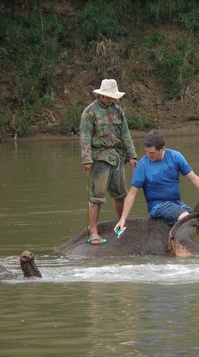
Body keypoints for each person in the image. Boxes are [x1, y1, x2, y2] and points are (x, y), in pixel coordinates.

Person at [114, 130, 199, 232]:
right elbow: (132, 193)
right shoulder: (142, 165)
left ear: (162, 149)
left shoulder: (175, 157)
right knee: (185, 217)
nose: (149, 155)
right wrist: (123, 219)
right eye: (146, 152)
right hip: (157, 206)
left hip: (177, 203)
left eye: (152, 153)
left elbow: (194, 178)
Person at [80, 79, 138, 245]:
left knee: (121, 195)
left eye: (113, 97)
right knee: (96, 197)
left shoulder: (118, 110)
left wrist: (132, 155)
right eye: (108, 97)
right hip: (99, 159)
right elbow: (85, 138)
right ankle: (94, 232)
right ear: (101, 95)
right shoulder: (89, 112)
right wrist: (87, 160)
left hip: (117, 158)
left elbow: (126, 135)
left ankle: (121, 225)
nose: (110, 100)